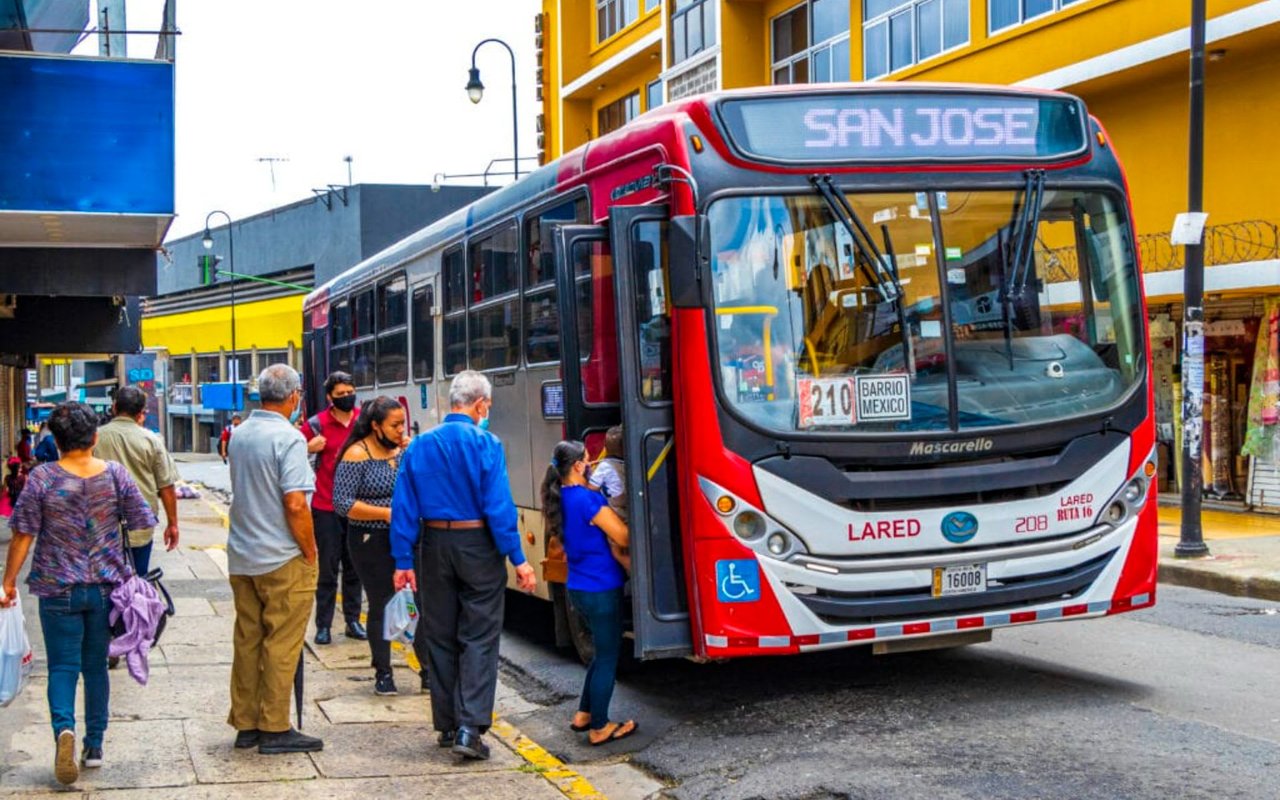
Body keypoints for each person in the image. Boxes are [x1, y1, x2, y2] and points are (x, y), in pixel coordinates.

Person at [0, 402, 157, 785]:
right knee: (96, 667)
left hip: (56, 588)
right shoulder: (115, 474)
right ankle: (95, 746)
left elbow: (22, 535)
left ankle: (64, 731)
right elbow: (142, 520)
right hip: (105, 590)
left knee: (62, 667)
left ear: (56, 440)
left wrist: (8, 583)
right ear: (95, 437)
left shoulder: (42, 478)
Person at [391, 370, 537, 761]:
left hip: (433, 544)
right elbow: (499, 508)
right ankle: (470, 728)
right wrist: (519, 559)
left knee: (439, 634)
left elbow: (403, 506)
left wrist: (402, 559)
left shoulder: (420, 445)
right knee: (479, 636)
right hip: (478, 545)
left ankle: (447, 724)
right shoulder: (487, 443)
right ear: (480, 405)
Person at [225, 364, 323, 755]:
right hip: (282, 556)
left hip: (243, 553)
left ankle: (246, 723)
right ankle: (275, 726)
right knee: (282, 642)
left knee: (248, 640)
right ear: (294, 396)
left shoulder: (240, 434)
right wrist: (310, 550)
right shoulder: (290, 438)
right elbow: (296, 503)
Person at [541, 440, 636, 746]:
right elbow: (623, 536)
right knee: (608, 657)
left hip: (579, 588)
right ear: (579, 466)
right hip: (602, 588)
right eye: (589, 459)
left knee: (599, 653)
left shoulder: (561, 498)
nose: (593, 463)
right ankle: (600, 726)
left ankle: (583, 713)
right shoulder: (588, 500)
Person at [332, 397, 428, 696]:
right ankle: (383, 672)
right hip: (370, 538)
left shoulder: (403, 451)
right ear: (375, 426)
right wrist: (386, 513)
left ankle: (428, 669)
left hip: (408, 536)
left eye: (403, 424)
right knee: (382, 602)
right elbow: (342, 503)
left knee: (420, 602)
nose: (401, 430)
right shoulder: (357, 454)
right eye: (394, 425)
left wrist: (414, 453)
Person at [301, 371, 365, 645]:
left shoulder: (364, 421)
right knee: (327, 570)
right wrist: (309, 447)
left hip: (357, 507)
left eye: (350, 392)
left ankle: (353, 620)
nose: (347, 397)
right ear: (330, 397)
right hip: (326, 506)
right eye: (341, 394)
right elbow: (291, 453)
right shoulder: (317, 424)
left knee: (355, 567)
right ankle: (324, 625)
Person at [93, 385, 180, 575]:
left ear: (114, 407)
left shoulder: (95, 438)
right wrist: (172, 524)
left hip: (101, 526)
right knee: (137, 580)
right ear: (142, 412)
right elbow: (166, 486)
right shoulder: (152, 440)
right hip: (140, 526)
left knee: (105, 581)